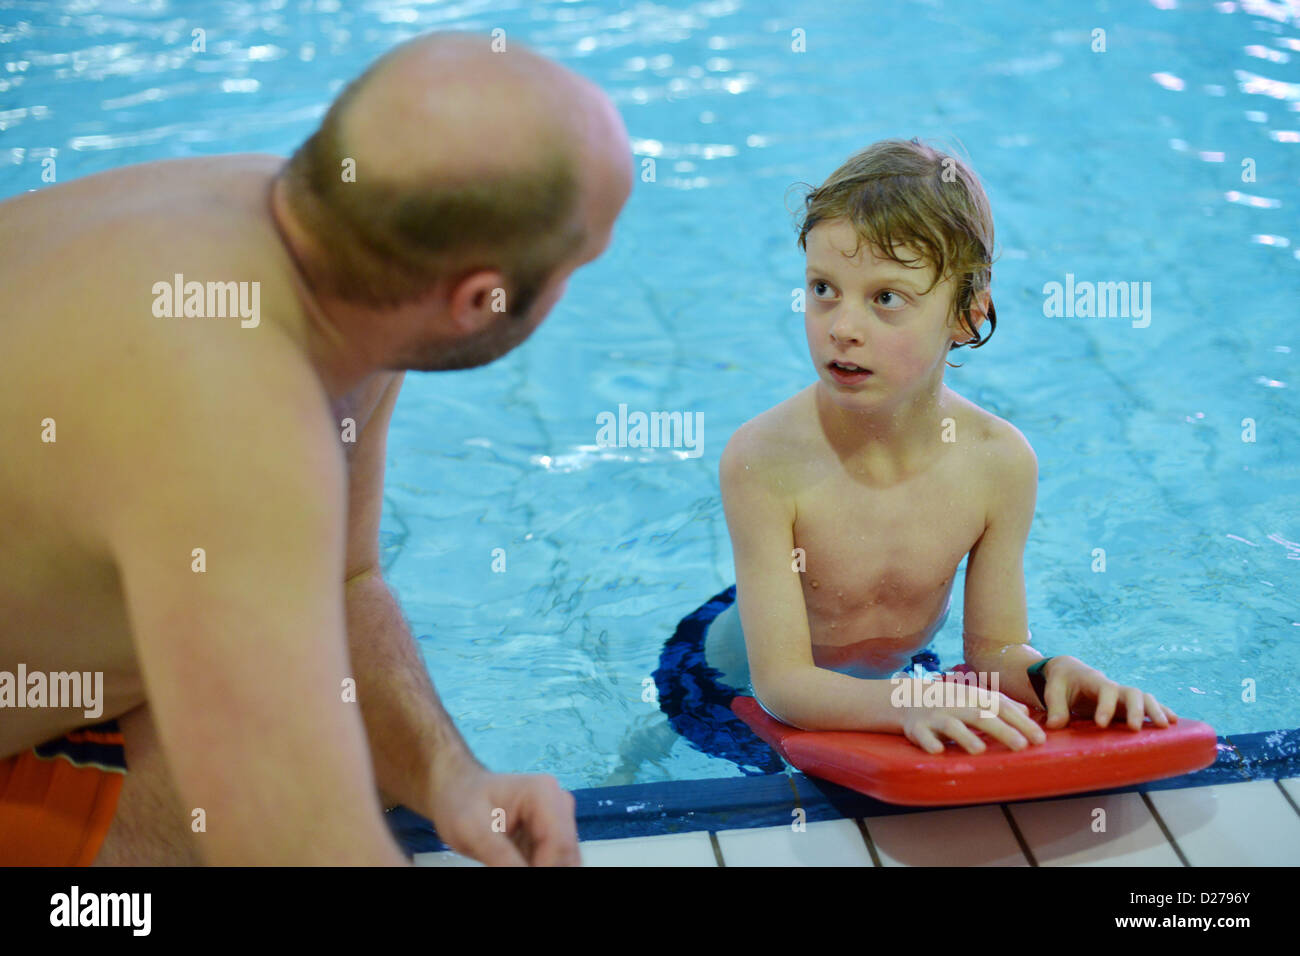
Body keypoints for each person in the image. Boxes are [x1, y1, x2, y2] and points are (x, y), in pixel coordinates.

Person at [0, 30, 632, 865]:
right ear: (481, 299)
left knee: (359, 756)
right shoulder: (228, 415)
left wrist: (452, 781)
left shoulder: (344, 257)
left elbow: (348, 581)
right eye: (578, 264)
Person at [713, 138, 1178, 755]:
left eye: (886, 298)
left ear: (966, 314)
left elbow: (993, 651)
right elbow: (782, 685)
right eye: (824, 288)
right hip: (734, 685)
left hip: (898, 683)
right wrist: (911, 700)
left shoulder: (999, 463)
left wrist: (1046, 675)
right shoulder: (764, 462)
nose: (842, 328)